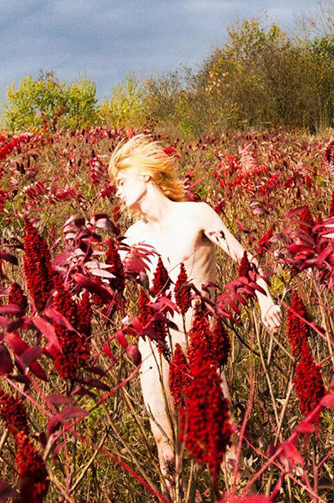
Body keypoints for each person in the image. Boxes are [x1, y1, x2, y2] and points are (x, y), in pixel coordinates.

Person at [109, 134, 281, 485]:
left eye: (122, 181)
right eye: (115, 186)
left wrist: (265, 300)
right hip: (157, 351)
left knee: (226, 444)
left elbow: (243, 259)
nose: (117, 192)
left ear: (146, 175)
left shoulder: (195, 215)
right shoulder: (131, 237)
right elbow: (122, 295)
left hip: (201, 343)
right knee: (167, 451)